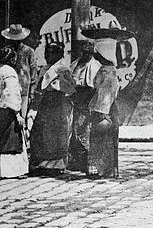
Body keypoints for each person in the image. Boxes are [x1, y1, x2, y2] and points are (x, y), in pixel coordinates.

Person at [28, 42, 75, 171]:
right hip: (44, 103)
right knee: (40, 131)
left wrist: (57, 86)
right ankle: (41, 162)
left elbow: (71, 88)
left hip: (57, 103)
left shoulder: (62, 69)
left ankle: (56, 165)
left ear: (59, 54)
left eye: (51, 53)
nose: (47, 55)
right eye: (46, 52)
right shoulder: (45, 68)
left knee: (54, 133)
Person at [85, 29, 124, 178]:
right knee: (108, 141)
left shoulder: (106, 72)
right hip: (109, 109)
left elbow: (105, 95)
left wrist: (101, 112)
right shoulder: (110, 70)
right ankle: (107, 169)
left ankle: (103, 170)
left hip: (104, 110)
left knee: (103, 140)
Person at [68, 39, 102, 173]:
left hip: (87, 100)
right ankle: (75, 162)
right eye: (84, 52)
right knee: (73, 132)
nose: (86, 54)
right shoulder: (75, 64)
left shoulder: (96, 66)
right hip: (74, 100)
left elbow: (95, 87)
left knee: (84, 132)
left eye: (89, 52)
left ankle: (88, 163)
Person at [0, 47, 28, 178]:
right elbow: (11, 93)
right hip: (7, 110)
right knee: (11, 138)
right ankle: (11, 171)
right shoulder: (9, 71)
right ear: (12, 59)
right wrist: (17, 112)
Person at [2, 24, 37, 118]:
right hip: (10, 88)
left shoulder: (29, 51)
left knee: (22, 116)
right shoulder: (7, 51)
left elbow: (33, 71)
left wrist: (32, 92)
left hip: (24, 88)